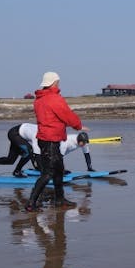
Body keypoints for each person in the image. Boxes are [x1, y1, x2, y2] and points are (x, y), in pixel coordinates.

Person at [26, 72, 88, 212]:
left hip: (48, 139)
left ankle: (60, 200)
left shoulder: (39, 99)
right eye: (58, 82)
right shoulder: (54, 99)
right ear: (54, 82)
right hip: (50, 140)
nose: (59, 84)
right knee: (48, 173)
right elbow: (67, 115)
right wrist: (78, 126)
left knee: (59, 170)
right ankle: (31, 203)